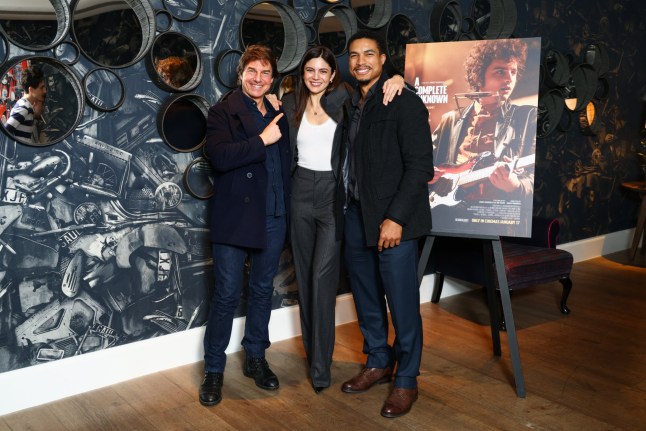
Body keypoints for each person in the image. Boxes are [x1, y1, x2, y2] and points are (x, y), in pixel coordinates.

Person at [280, 46, 404, 394]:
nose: (316, 76)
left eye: (323, 71)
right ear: (302, 74)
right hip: (299, 193)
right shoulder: (290, 104)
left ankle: (321, 366)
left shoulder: (346, 100)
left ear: (333, 75)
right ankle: (315, 362)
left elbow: (379, 89)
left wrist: (399, 78)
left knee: (323, 281)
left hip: (333, 198)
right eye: (310, 71)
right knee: (305, 281)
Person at [339, 30, 434, 418]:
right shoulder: (351, 104)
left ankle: (406, 380)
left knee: (403, 304)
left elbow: (420, 168)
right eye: (354, 55)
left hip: (394, 224)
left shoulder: (403, 101)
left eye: (369, 55)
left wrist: (394, 219)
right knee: (366, 301)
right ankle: (378, 361)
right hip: (356, 218)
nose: (360, 61)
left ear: (382, 61)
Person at [199, 45, 291, 407]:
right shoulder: (222, 111)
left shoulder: (279, 110)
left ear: (272, 79)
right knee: (224, 295)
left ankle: (256, 357)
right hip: (236, 218)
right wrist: (260, 141)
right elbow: (219, 157)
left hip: (273, 216)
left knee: (263, 289)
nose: (258, 78)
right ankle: (214, 370)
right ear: (241, 74)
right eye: (252, 71)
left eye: (265, 73)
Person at [430, 39, 536, 234]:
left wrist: (515, 185)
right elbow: (421, 163)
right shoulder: (450, 120)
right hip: (448, 216)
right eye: (500, 71)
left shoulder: (527, 118)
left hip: (497, 220)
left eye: (513, 72)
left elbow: (534, 177)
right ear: (479, 77)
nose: (509, 79)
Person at [4, 65, 47, 144]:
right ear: (31, 90)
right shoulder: (23, 108)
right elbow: (5, 131)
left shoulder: (27, 106)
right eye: (41, 88)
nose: (44, 91)